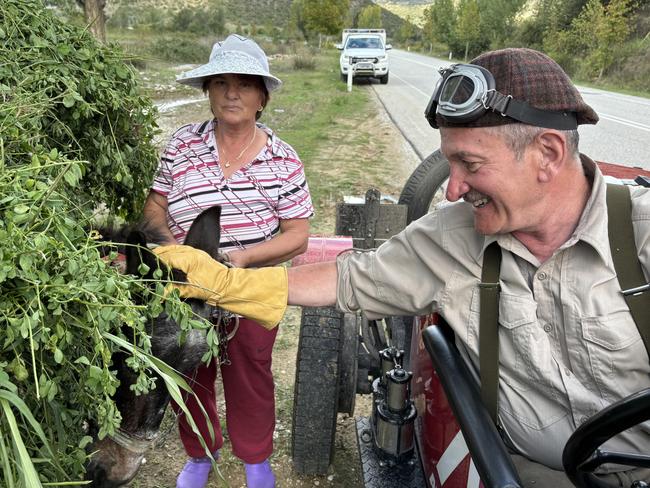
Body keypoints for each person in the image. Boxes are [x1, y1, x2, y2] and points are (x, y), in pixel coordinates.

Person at [152, 48, 650, 485]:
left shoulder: (641, 234)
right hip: (525, 472)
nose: (452, 189)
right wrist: (224, 282)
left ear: (548, 153)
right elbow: (349, 277)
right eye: (448, 166)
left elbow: (296, 231)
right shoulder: (451, 237)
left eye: (471, 166)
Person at [143, 34, 313, 488]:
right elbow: (154, 209)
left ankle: (255, 461)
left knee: (250, 374)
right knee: (189, 371)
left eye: (244, 84)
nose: (231, 93)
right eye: (220, 83)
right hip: (185, 290)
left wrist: (243, 258)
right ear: (208, 92)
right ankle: (200, 454)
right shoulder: (181, 145)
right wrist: (172, 258)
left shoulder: (283, 160)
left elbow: (297, 236)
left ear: (262, 97)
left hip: (249, 289)